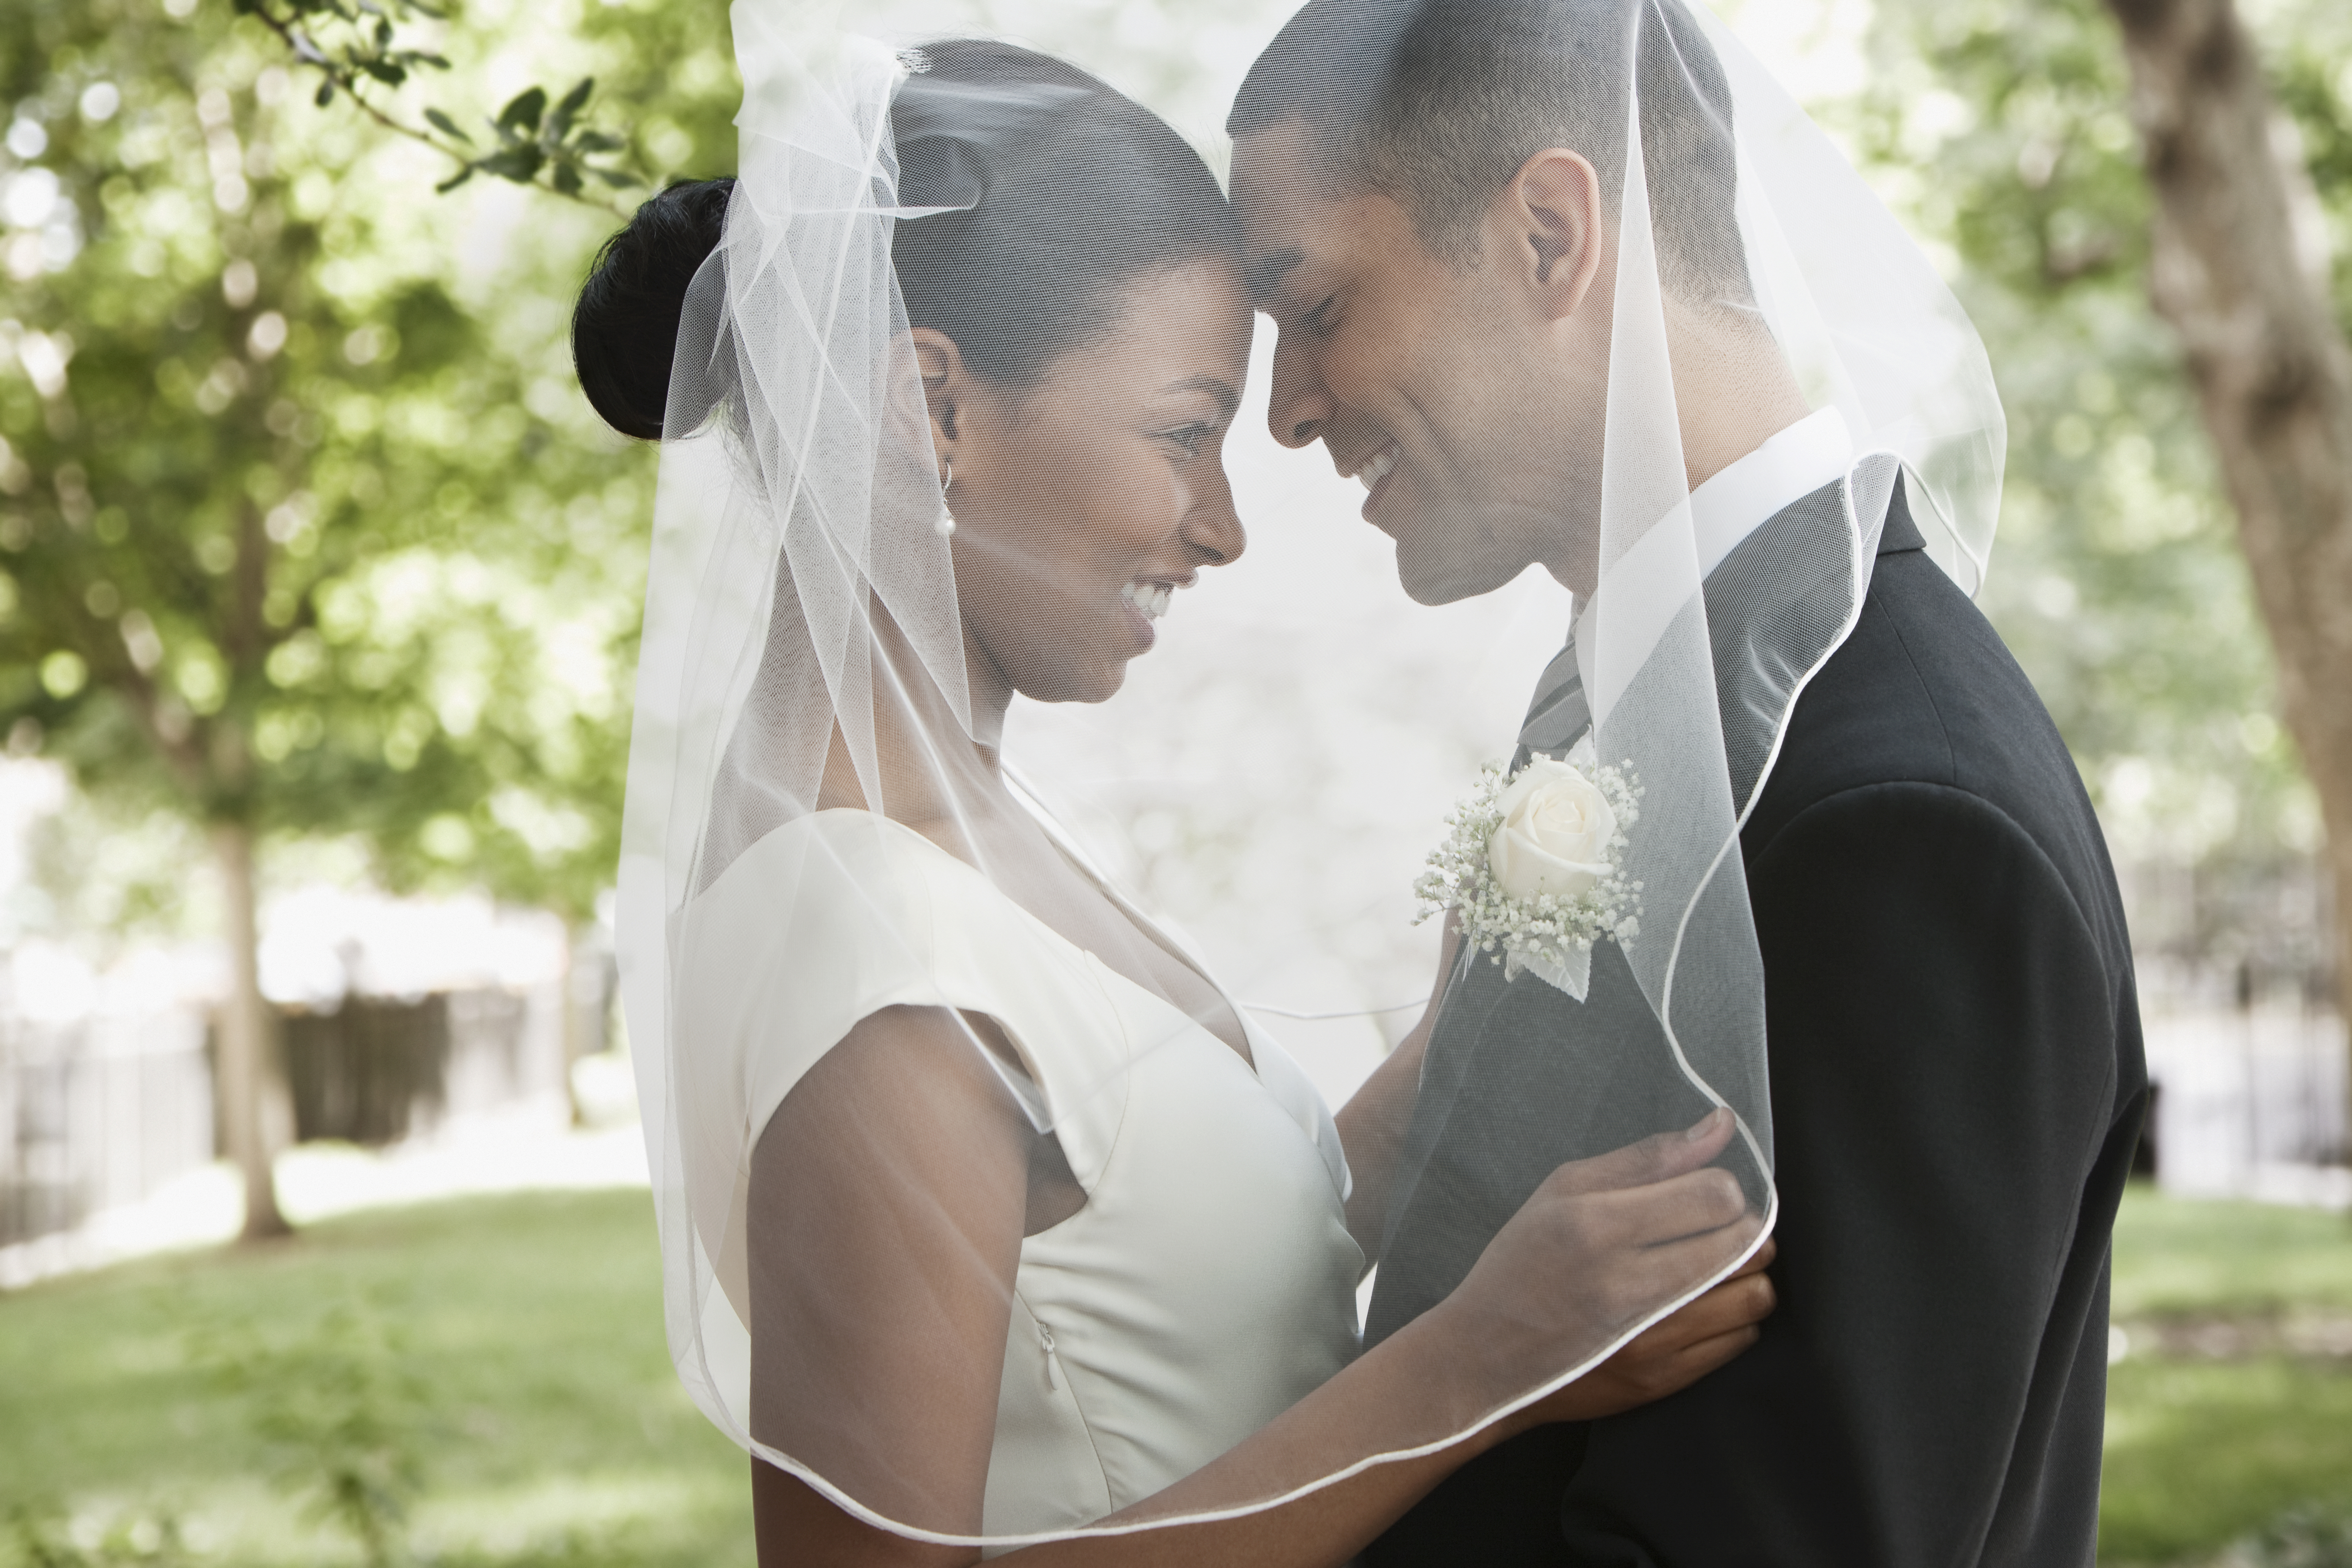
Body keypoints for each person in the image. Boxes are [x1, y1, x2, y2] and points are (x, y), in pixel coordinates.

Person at [577, 17, 1775, 1566]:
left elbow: (1150, 1277)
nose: (1222, 528)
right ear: (931, 406)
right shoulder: (873, 958)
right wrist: (1475, 1370)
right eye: (1184, 433)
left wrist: (1480, 1011)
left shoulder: (955, 844)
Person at [1225, 0, 2148, 1563]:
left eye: (1314, 305)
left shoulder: (1895, 826)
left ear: (1548, 233)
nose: (1289, 405)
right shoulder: (1652, 711)